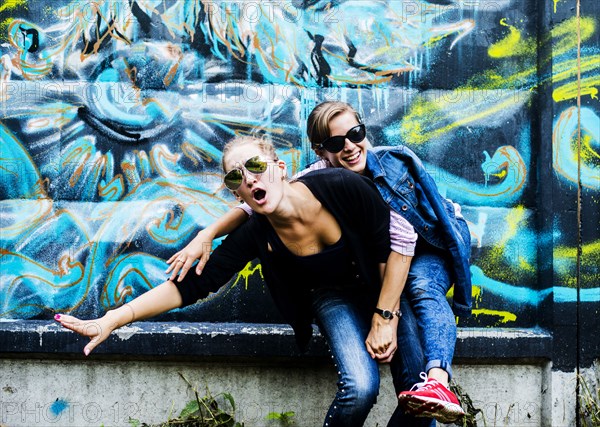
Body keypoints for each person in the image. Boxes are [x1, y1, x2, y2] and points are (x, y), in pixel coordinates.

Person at [55, 135, 433, 427]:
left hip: (383, 285)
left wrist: (386, 317)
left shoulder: (339, 186)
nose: (249, 178)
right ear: (235, 191)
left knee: (420, 394)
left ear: (280, 167)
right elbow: (191, 286)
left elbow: (395, 247)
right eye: (237, 176)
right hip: (330, 297)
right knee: (361, 390)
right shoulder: (255, 232)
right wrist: (111, 320)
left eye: (255, 165)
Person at [167, 102, 473, 424]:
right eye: (336, 143)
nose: (350, 146)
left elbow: (416, 232)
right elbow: (262, 197)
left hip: (430, 245)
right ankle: (431, 385)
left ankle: (438, 380)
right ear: (320, 151)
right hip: (383, 273)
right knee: (369, 387)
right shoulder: (320, 178)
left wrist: (386, 317)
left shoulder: (393, 161)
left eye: (356, 134)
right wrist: (210, 231)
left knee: (423, 291)